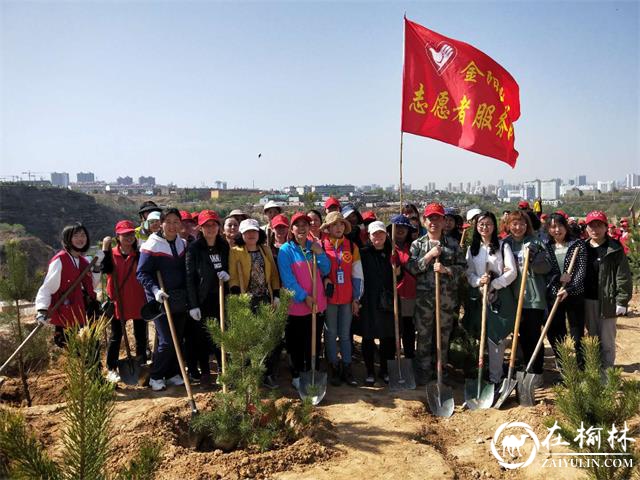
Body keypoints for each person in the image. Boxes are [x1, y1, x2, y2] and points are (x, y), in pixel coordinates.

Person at [406, 203, 466, 385]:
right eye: (430, 218)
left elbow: (463, 268)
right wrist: (429, 256)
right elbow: (412, 268)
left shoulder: (454, 244)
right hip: (425, 301)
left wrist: (447, 269)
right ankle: (423, 371)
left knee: (443, 335)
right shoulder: (417, 245)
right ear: (424, 221)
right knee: (424, 335)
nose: (434, 222)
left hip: (446, 300)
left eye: (438, 218)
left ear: (443, 220)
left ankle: (440, 369)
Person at [137, 208, 189, 391]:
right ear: (161, 223)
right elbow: (142, 273)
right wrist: (155, 290)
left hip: (179, 298)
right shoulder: (152, 245)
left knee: (178, 338)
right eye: (169, 221)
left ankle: (173, 373)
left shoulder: (182, 243)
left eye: (177, 222)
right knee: (166, 340)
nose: (173, 226)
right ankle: (156, 376)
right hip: (160, 300)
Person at [463, 212, 517, 387]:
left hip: (499, 298)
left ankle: (496, 378)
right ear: (476, 227)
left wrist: (495, 283)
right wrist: (479, 282)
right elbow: (469, 273)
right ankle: (481, 373)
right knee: (481, 335)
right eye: (481, 224)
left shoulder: (503, 246)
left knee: (496, 337)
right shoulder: (472, 250)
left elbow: (512, 271)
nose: (484, 227)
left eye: (488, 224)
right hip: (479, 297)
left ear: (494, 226)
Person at [277, 212, 330, 389]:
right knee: (296, 343)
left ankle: (311, 371)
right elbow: (288, 279)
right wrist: (304, 297)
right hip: (297, 306)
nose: (301, 228)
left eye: (305, 225)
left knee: (313, 341)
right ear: (291, 229)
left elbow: (326, 269)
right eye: (297, 225)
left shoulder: (313, 246)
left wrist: (320, 253)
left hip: (317, 304)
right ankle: (297, 373)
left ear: (309, 228)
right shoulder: (286, 250)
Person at [229, 218, 281, 387]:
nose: (251, 235)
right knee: (247, 339)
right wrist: (238, 297)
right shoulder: (236, 251)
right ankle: (246, 375)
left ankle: (266, 373)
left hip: (264, 298)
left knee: (267, 338)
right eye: (247, 232)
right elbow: (234, 277)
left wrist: (276, 294)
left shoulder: (264, 250)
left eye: (254, 231)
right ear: (241, 235)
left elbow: (273, 274)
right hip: (246, 299)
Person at [502, 210, 551, 377]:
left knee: (533, 335)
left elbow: (546, 268)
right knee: (520, 335)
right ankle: (524, 367)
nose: (518, 227)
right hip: (512, 297)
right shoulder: (504, 244)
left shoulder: (536, 242)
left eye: (522, 224)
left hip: (533, 296)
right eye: (514, 223)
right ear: (508, 225)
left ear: (527, 225)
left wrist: (533, 260)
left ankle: (536, 371)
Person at [35, 223, 99, 348]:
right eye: (76, 236)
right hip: (67, 314)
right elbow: (47, 287)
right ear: (67, 239)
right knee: (75, 353)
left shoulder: (83, 261)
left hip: (84, 313)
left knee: (91, 351)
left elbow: (92, 286)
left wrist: (96, 268)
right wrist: (42, 310)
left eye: (83, 235)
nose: (81, 239)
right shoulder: (60, 260)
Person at [583, 210, 633, 369]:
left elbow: (623, 276)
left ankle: (607, 374)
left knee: (607, 340)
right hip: (587, 300)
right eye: (591, 226)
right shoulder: (582, 248)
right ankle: (594, 373)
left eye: (599, 225)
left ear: (606, 227)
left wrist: (622, 300)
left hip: (608, 301)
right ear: (586, 229)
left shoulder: (615, 249)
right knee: (592, 338)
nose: (595, 230)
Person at [185, 210, 229, 386]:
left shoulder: (223, 245)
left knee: (220, 336)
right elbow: (189, 277)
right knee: (201, 338)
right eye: (206, 225)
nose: (211, 228)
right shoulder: (194, 249)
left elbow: (228, 266)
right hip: (202, 299)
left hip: (219, 298)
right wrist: (193, 305)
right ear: (201, 228)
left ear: (218, 226)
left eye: (213, 224)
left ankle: (222, 370)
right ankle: (205, 372)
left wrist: (228, 275)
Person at [101, 220, 148, 383]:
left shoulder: (140, 254)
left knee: (141, 336)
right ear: (117, 236)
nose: (129, 237)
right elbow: (105, 269)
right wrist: (105, 250)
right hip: (118, 302)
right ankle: (111, 367)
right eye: (124, 234)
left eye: (131, 234)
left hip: (138, 300)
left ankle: (141, 365)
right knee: (116, 336)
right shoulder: (111, 254)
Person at [319, 211, 363, 387]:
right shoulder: (320, 245)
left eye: (341, 224)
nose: (339, 227)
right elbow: (316, 272)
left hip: (346, 298)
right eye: (335, 224)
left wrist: (356, 298)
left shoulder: (352, 247)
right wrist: (324, 279)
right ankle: (333, 367)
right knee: (330, 334)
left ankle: (347, 367)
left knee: (345, 335)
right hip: (328, 299)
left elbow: (357, 274)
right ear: (328, 228)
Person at [544, 213, 587, 367]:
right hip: (554, 295)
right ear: (548, 229)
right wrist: (557, 278)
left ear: (566, 227)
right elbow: (545, 270)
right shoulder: (546, 246)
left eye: (560, 226)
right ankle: (564, 367)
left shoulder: (577, 245)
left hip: (574, 294)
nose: (557, 230)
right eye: (552, 227)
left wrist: (569, 288)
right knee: (556, 332)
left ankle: (581, 367)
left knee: (577, 333)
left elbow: (581, 271)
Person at [359, 221, 399, 385]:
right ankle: (369, 370)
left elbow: (399, 277)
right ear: (369, 235)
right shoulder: (362, 253)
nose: (378, 236)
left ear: (386, 235)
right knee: (368, 337)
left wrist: (398, 271)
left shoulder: (392, 253)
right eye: (374, 233)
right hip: (367, 300)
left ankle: (385, 370)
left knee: (387, 337)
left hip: (388, 301)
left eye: (381, 233)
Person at [388, 214, 417, 359]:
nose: (400, 230)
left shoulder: (413, 247)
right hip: (393, 294)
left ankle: (410, 355)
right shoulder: (387, 247)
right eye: (397, 227)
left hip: (410, 294)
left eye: (403, 228)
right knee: (394, 328)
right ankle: (394, 356)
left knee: (408, 328)